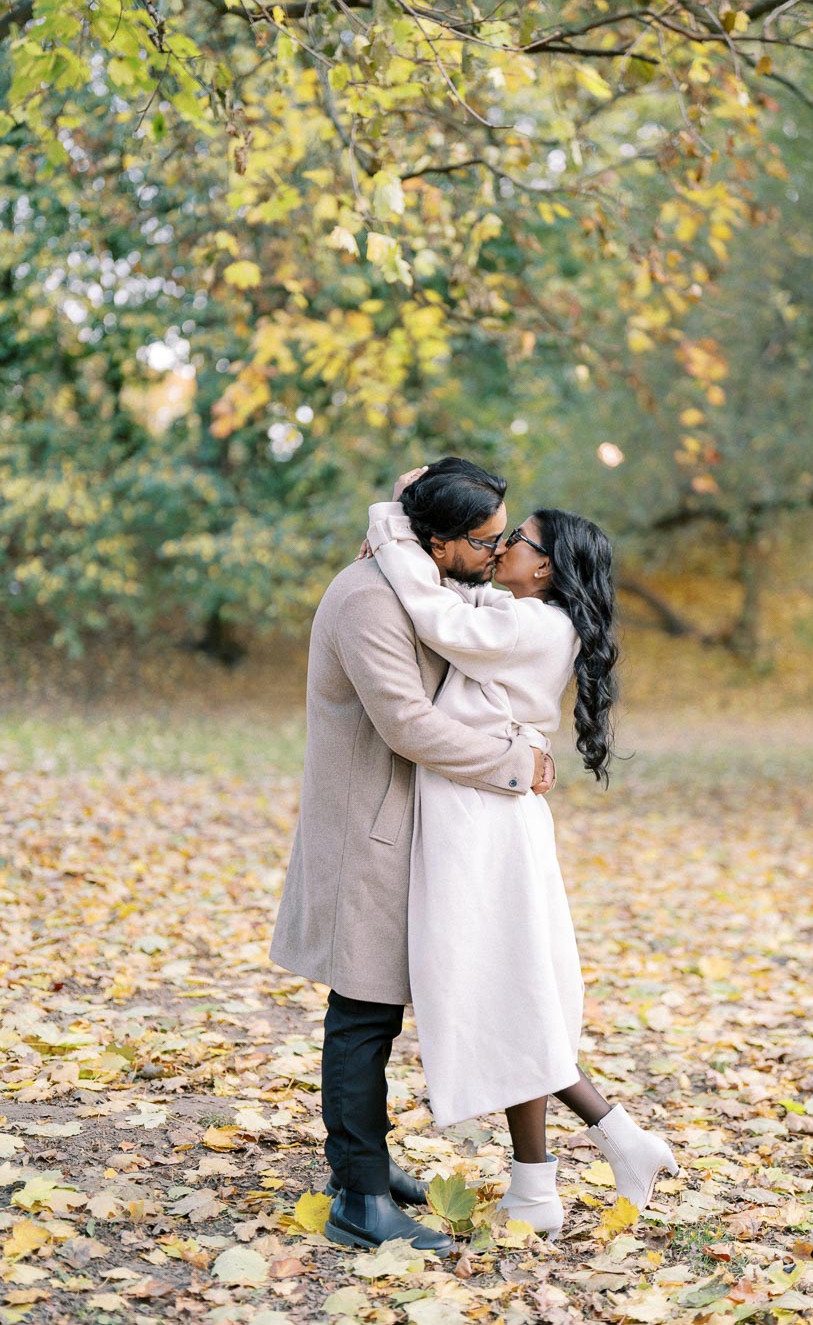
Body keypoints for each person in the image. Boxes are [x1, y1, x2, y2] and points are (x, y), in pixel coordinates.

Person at [364, 465, 678, 1240]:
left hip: (485, 818)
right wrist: (421, 502)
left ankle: (589, 1156)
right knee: (508, 990)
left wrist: (390, 525)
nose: (502, 547)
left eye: (518, 539)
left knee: (503, 989)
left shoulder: (535, 625)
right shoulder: (522, 612)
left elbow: (439, 616)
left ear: (545, 565)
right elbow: (454, 596)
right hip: (482, 810)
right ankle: (563, 1171)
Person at [269, 458, 554, 1256]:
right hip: (366, 830)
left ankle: (368, 1162)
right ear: (439, 539)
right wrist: (512, 765)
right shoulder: (367, 600)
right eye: (488, 541)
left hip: (401, 827)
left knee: (379, 1012)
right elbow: (405, 724)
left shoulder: (421, 579)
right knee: (360, 1014)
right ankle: (358, 1196)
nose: (500, 554)